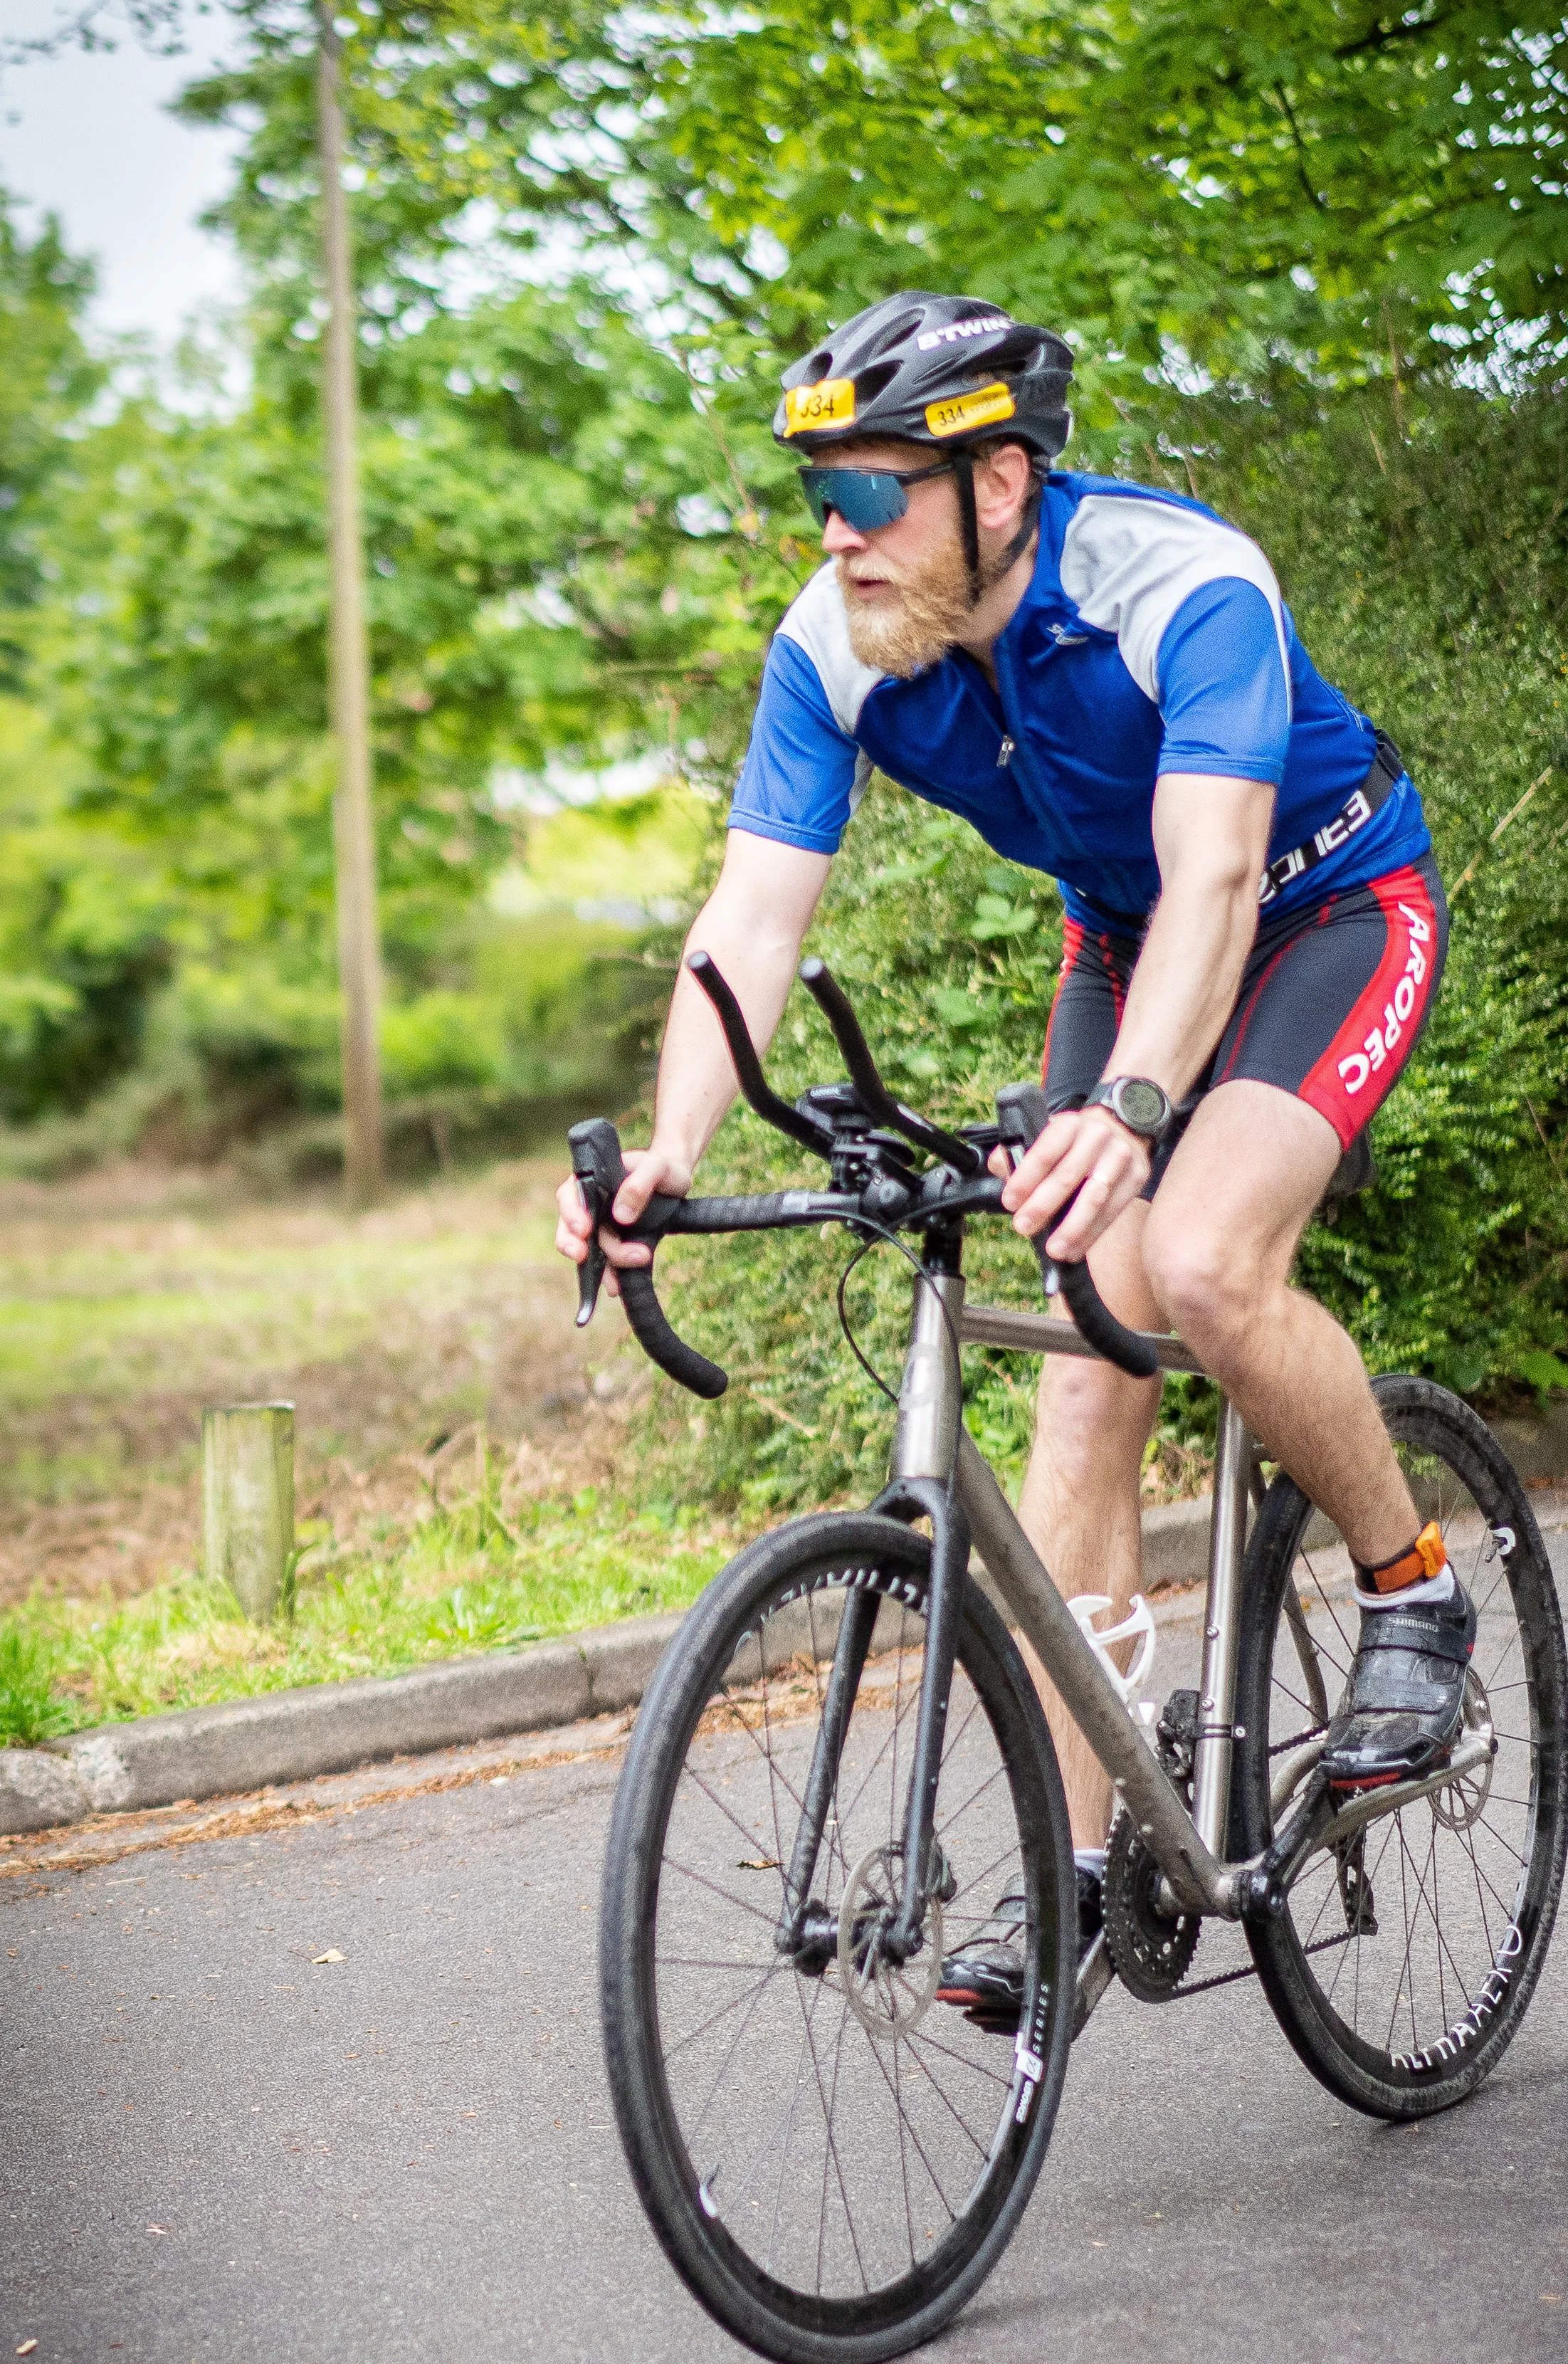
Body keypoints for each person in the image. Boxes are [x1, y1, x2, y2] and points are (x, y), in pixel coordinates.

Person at [555, 291, 1475, 2026]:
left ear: (998, 484)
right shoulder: (835, 643)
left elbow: (1215, 879)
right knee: (1073, 1374)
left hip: (1325, 911)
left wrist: (1129, 1119)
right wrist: (669, 1147)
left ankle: (1411, 1591)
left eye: (873, 491)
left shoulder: (1177, 585)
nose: (836, 533)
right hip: (1128, 948)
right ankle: (1075, 1864)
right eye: (817, 493)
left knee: (1195, 1259)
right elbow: (748, 916)